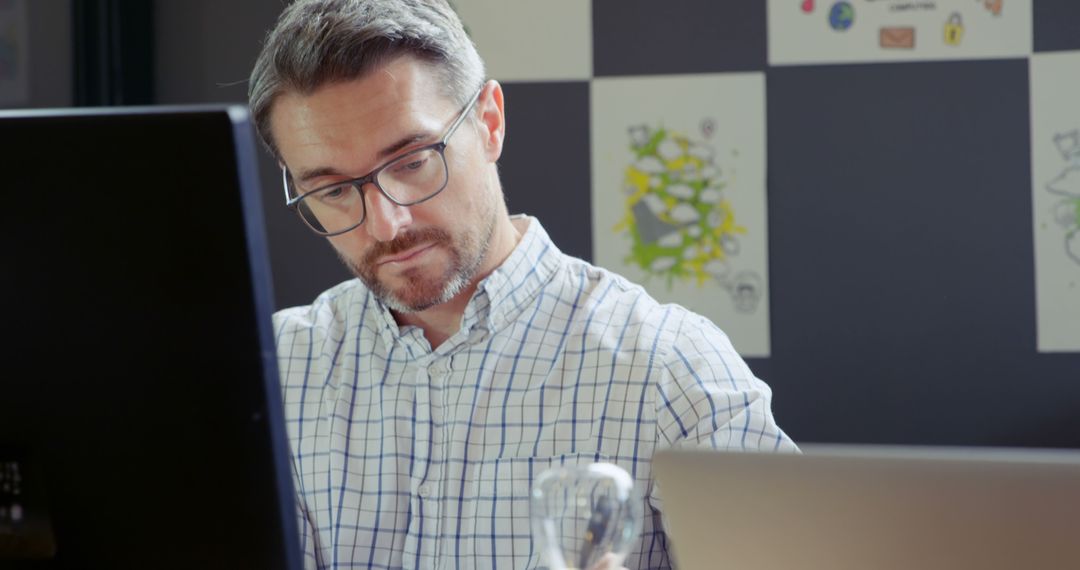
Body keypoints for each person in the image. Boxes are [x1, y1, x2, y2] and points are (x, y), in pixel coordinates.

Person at [248, 0, 797, 567]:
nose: (389, 223)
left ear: (489, 122)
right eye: (334, 190)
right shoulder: (275, 368)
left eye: (412, 161)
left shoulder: (665, 367)